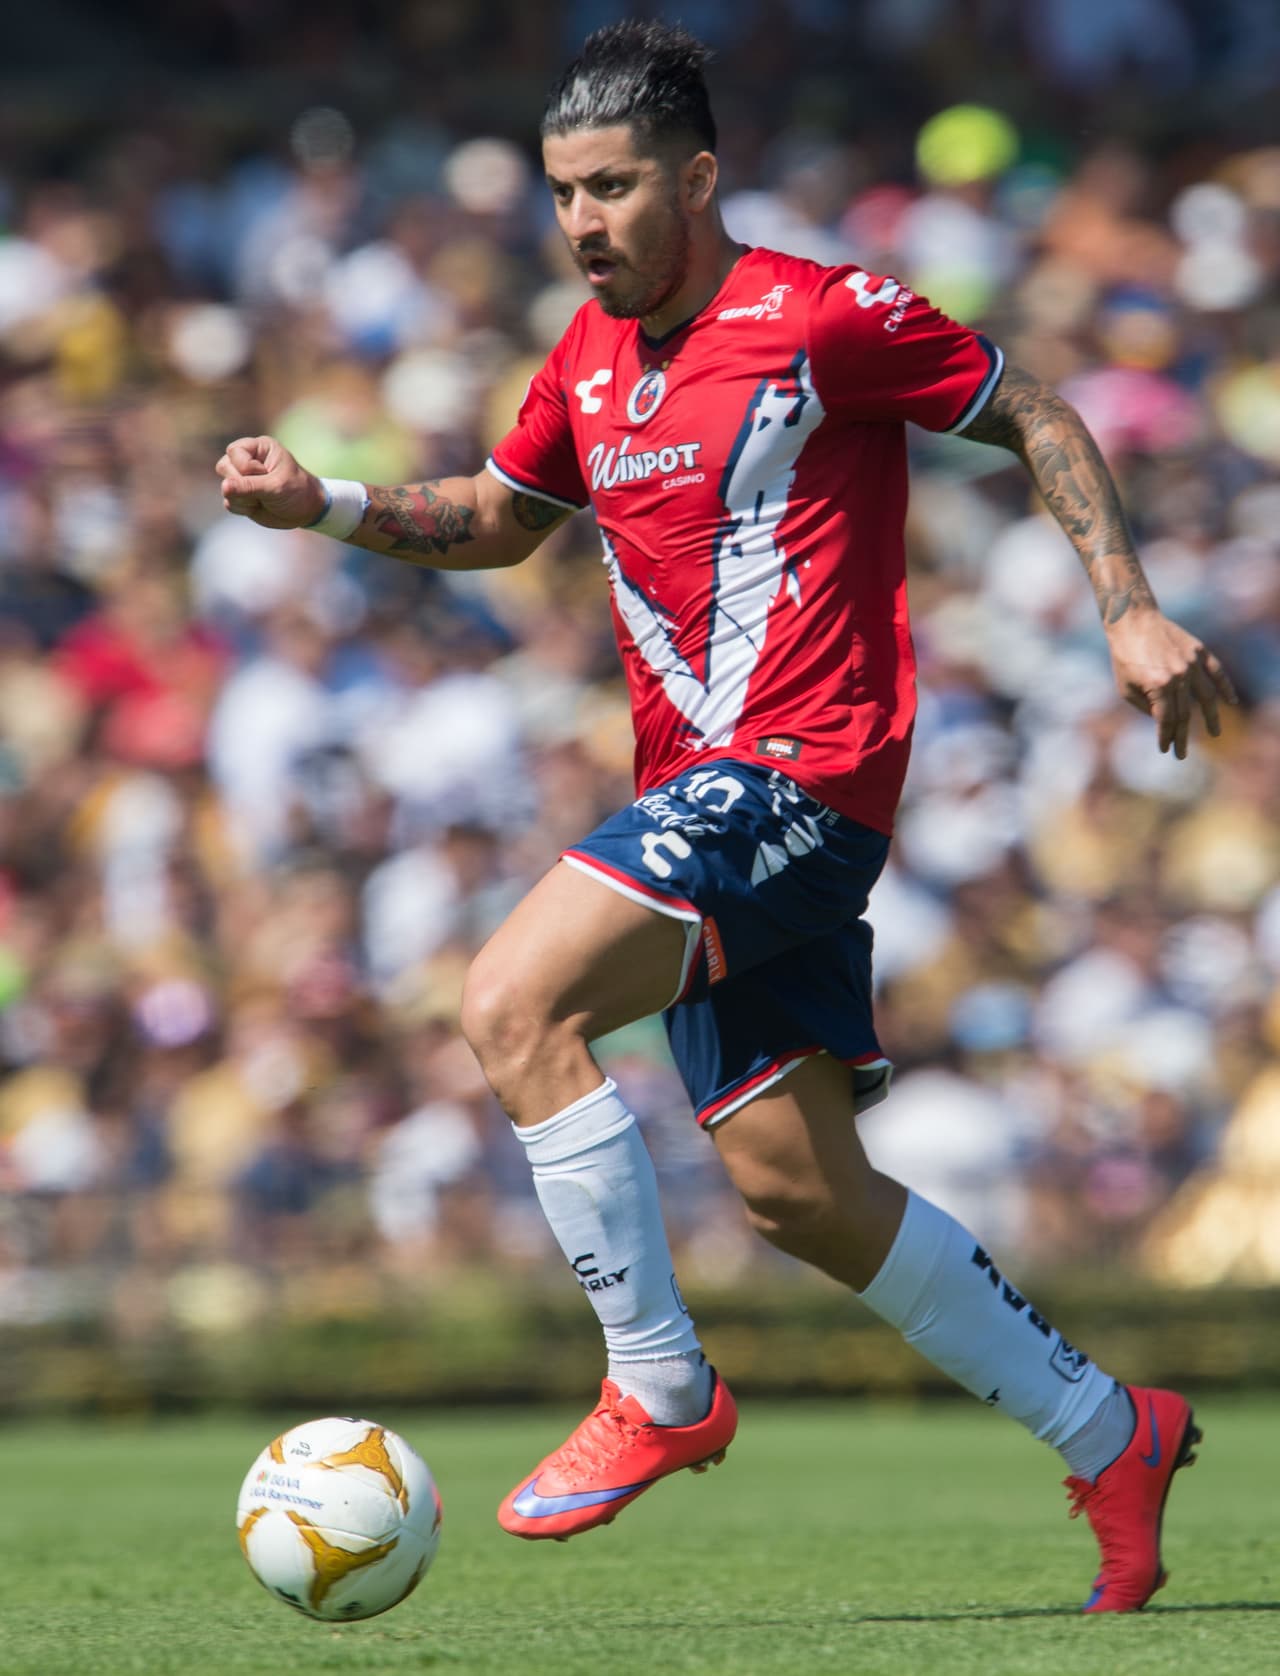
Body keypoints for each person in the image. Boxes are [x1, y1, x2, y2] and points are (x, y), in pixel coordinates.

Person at [217, 20, 1235, 1613]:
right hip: (706, 800)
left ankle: (662, 1390)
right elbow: (494, 522)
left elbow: (1038, 408)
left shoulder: (820, 320)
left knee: (510, 1000)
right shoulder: (586, 358)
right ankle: (1113, 1430)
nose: (583, 222)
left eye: (615, 188)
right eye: (565, 193)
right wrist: (325, 506)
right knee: (794, 1191)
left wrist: (1128, 612)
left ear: (697, 176)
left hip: (800, 779)